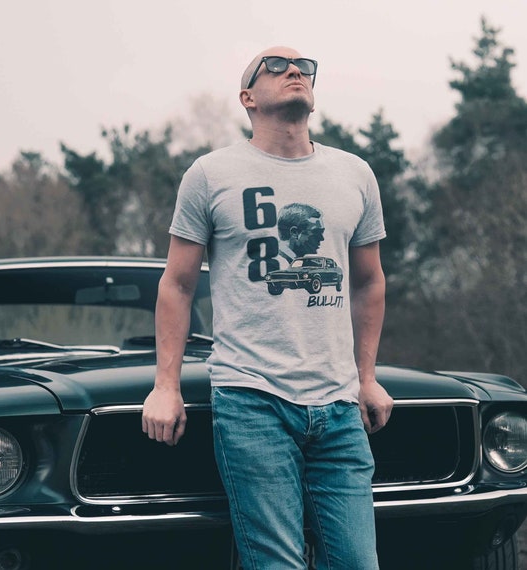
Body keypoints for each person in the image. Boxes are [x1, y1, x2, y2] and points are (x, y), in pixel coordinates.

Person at [142, 46, 394, 569]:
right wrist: (165, 386)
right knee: (277, 563)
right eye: (275, 66)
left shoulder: (355, 174)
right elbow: (178, 285)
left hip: (340, 406)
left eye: (304, 65)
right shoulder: (211, 174)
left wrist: (366, 377)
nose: (295, 70)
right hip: (251, 399)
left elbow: (369, 282)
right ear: (248, 97)